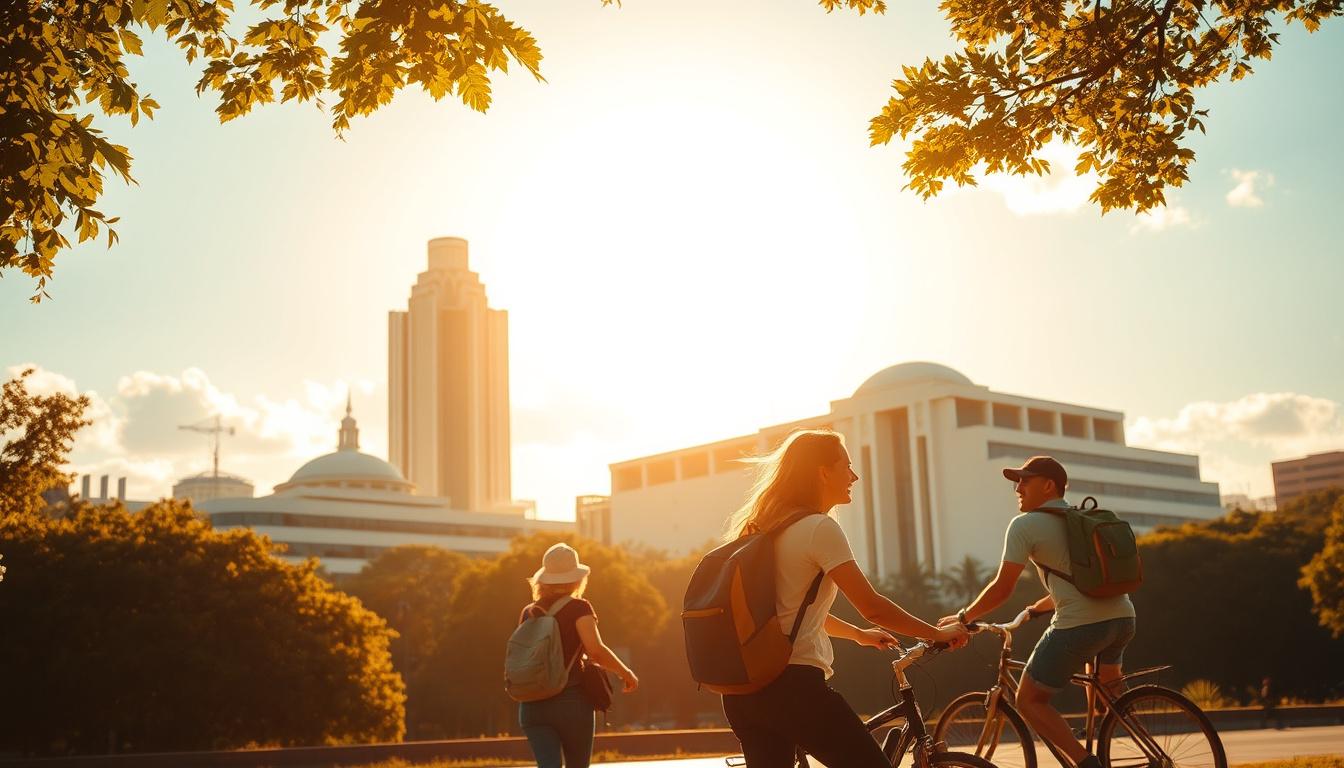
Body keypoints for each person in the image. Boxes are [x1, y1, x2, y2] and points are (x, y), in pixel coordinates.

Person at [720, 429, 969, 768]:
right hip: (794, 689)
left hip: (744, 693)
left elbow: (788, 612)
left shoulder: (762, 528)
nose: (854, 476)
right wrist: (937, 634)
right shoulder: (818, 528)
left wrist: (857, 635)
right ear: (823, 472)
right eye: (846, 466)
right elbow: (873, 606)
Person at [941, 455, 1136, 768]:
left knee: (1029, 699)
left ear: (1048, 486)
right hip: (1123, 618)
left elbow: (1002, 588)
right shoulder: (1081, 521)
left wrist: (964, 618)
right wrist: (1033, 610)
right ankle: (1147, 748)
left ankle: (1087, 764)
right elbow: (1086, 583)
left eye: (1025, 481)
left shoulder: (1024, 525)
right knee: (1108, 698)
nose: (1018, 488)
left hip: (1081, 626)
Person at [517, 542, 638, 768]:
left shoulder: (529, 611)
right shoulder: (579, 608)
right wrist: (626, 672)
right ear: (577, 578)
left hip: (532, 705)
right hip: (571, 702)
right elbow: (595, 650)